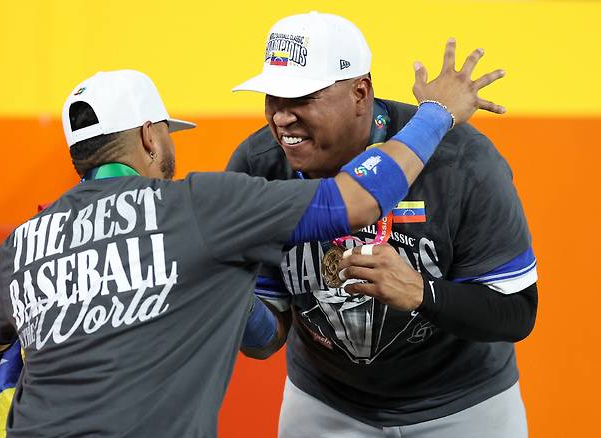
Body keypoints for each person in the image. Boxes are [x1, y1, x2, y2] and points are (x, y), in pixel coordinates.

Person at [0, 56, 500, 437]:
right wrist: (439, 114)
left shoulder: (25, 241)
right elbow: (363, 198)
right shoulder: (199, 206)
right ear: (151, 137)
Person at [229, 11, 537, 438]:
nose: (281, 118)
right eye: (273, 99)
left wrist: (420, 292)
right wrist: (227, 297)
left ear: (360, 93)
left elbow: (516, 314)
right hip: (326, 402)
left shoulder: (462, 161)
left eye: (301, 98)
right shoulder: (258, 164)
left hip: (463, 405)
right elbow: (265, 340)